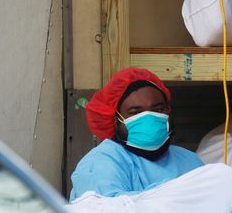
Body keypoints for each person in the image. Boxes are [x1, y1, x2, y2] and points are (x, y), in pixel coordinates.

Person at [70, 68, 203, 200]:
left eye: (158, 109)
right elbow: (106, 212)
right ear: (116, 120)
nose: (150, 118)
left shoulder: (189, 161)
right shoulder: (100, 163)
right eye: (135, 112)